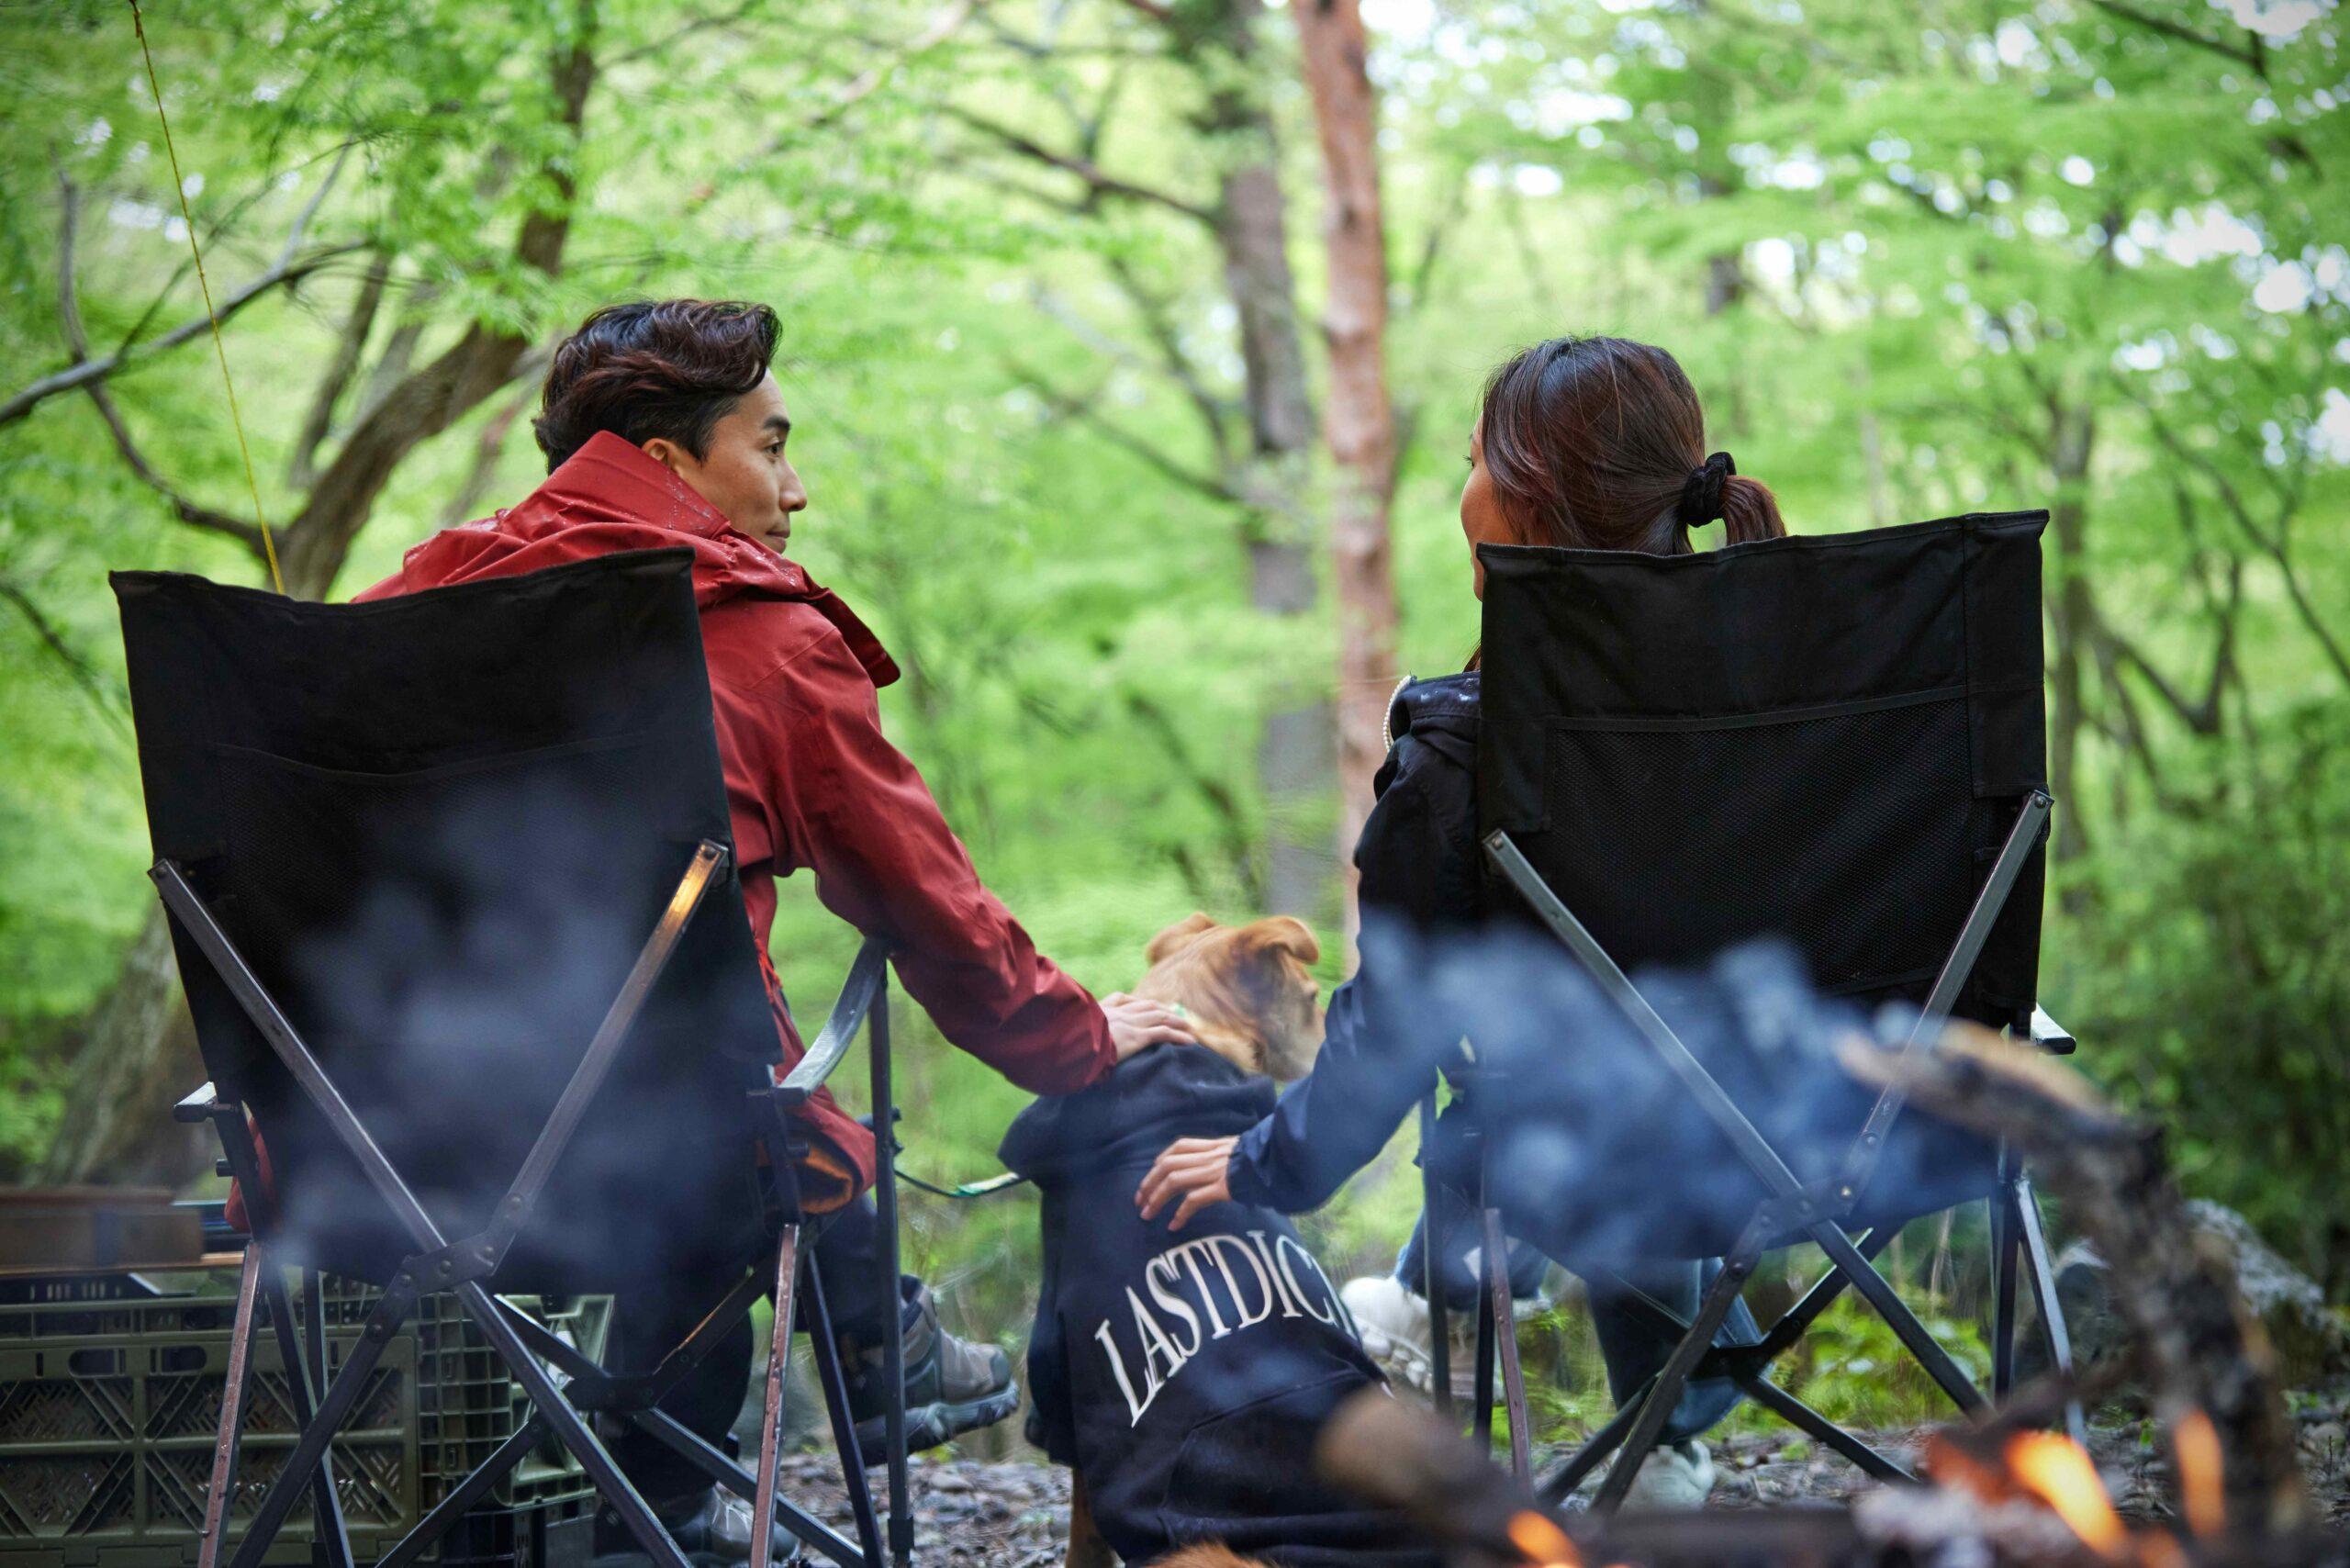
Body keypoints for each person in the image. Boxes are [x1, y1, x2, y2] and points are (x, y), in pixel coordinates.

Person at [358, 298, 1196, 1563]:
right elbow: (923, 898)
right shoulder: (754, 632)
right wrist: (1077, 1037)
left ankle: (700, 1462)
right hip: (662, 1168)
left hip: (357, 1151)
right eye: (771, 444)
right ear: (667, 463)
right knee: (728, 1127)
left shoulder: (389, 625)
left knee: (700, 1091)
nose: (795, 492)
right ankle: (695, 1493)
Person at [1136, 334, 1784, 1509]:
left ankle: (1503, 1345)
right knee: (1625, 1045)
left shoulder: (1467, 750)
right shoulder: (1801, 696)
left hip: (1595, 1147)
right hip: (1849, 1115)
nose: (1460, 483)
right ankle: (1657, 1425)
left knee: (1544, 1073)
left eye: (1474, 457)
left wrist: (1260, 1163)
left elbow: (1394, 1031)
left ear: (1522, 502)